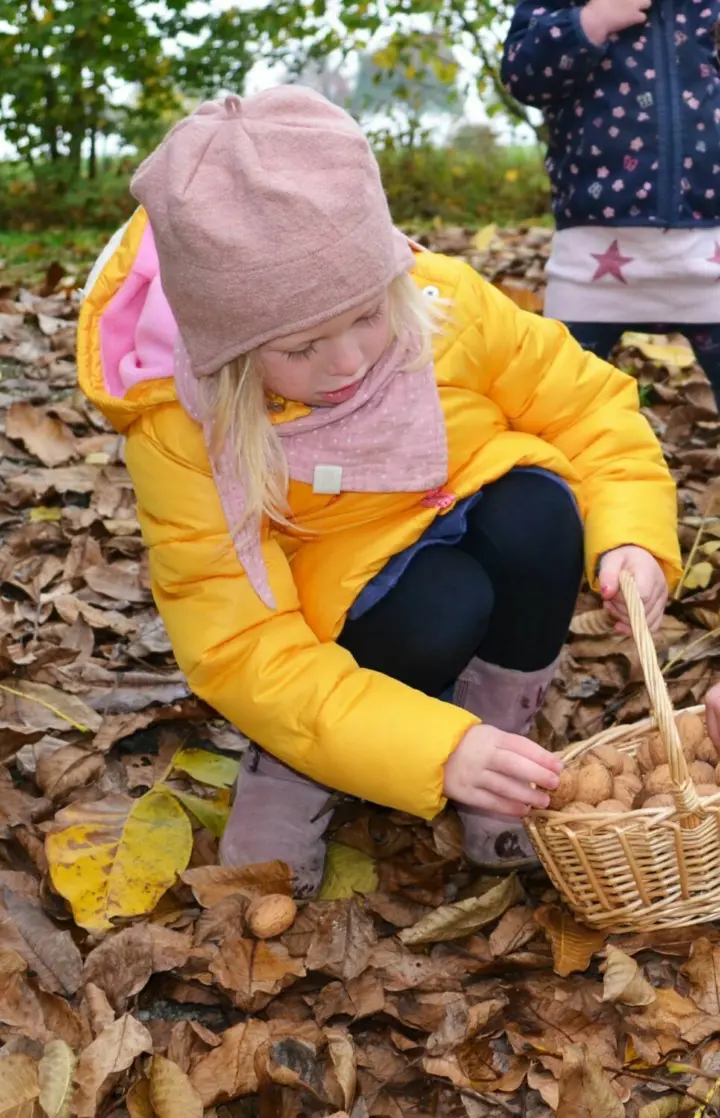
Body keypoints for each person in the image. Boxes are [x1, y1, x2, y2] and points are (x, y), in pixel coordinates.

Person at [76, 87, 681, 896]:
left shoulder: (445, 307)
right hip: (344, 613)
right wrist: (435, 750)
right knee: (441, 603)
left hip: (460, 513)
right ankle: (294, 765)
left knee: (539, 513)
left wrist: (633, 535)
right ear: (230, 351)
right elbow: (241, 647)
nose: (350, 361)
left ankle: (504, 750)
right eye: (301, 348)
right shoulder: (187, 430)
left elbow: (590, 405)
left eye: (367, 316)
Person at [501, 0, 720, 406]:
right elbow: (521, 75)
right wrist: (588, 22)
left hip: (710, 247)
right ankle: (564, 469)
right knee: (560, 396)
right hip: (592, 251)